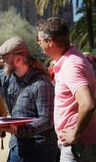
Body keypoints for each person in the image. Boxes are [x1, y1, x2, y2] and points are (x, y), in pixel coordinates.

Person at [36, 17, 96, 162]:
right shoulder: (71, 60)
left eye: (39, 40)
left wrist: (75, 134)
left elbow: (88, 104)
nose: (38, 43)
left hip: (77, 144)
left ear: (50, 42)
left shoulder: (71, 66)